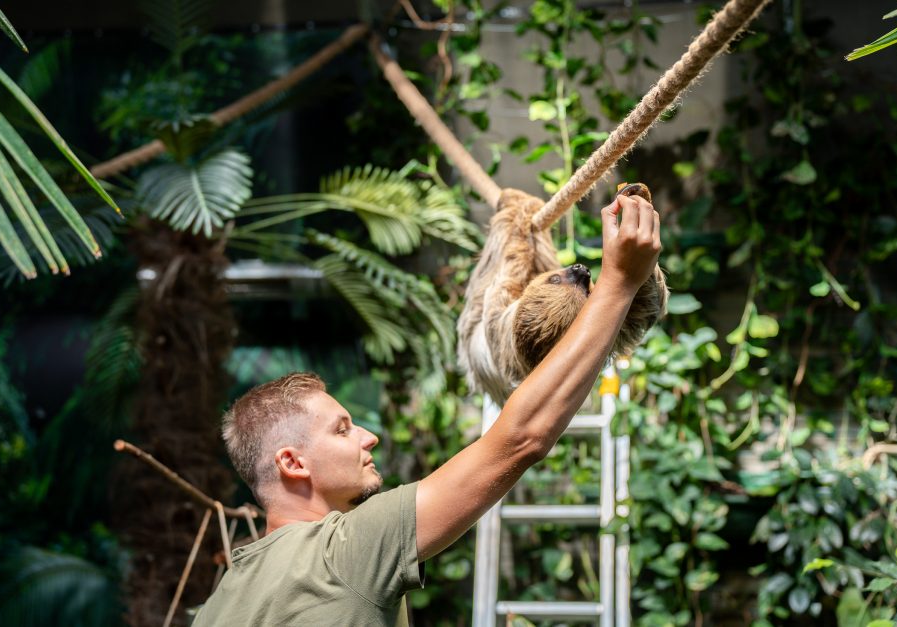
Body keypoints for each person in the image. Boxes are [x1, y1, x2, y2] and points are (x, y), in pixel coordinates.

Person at [191, 192, 661, 625]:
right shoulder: (347, 550)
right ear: (292, 463)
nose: (368, 436)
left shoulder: (220, 600)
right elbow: (521, 440)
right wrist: (618, 283)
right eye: (342, 430)